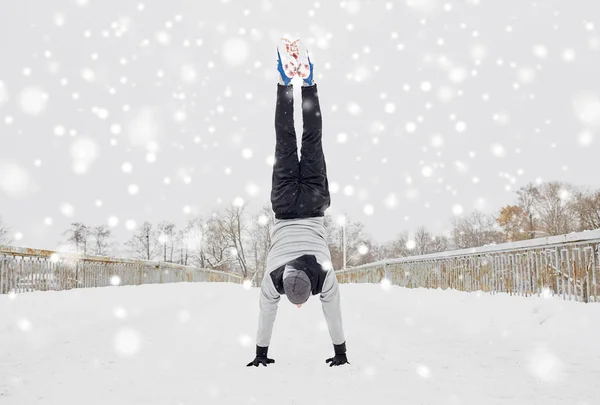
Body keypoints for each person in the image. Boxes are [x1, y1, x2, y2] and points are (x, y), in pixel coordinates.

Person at [246, 39, 350, 368]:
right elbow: (266, 314)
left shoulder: (324, 272)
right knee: (286, 139)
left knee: (312, 139)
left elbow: (333, 313)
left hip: (315, 204)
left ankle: (308, 83)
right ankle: (284, 83)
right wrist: (260, 352)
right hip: (283, 205)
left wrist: (341, 350)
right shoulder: (272, 278)